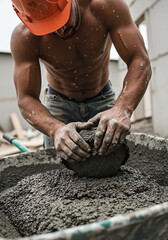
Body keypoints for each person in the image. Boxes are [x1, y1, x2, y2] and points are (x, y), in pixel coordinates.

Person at [11, 0, 151, 163]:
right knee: (57, 170)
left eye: (61, 19)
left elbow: (139, 59)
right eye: (47, 26)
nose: (60, 29)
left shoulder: (105, 6)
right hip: (59, 104)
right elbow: (25, 98)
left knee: (118, 162)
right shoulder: (25, 37)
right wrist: (55, 129)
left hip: (102, 97)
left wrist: (122, 109)